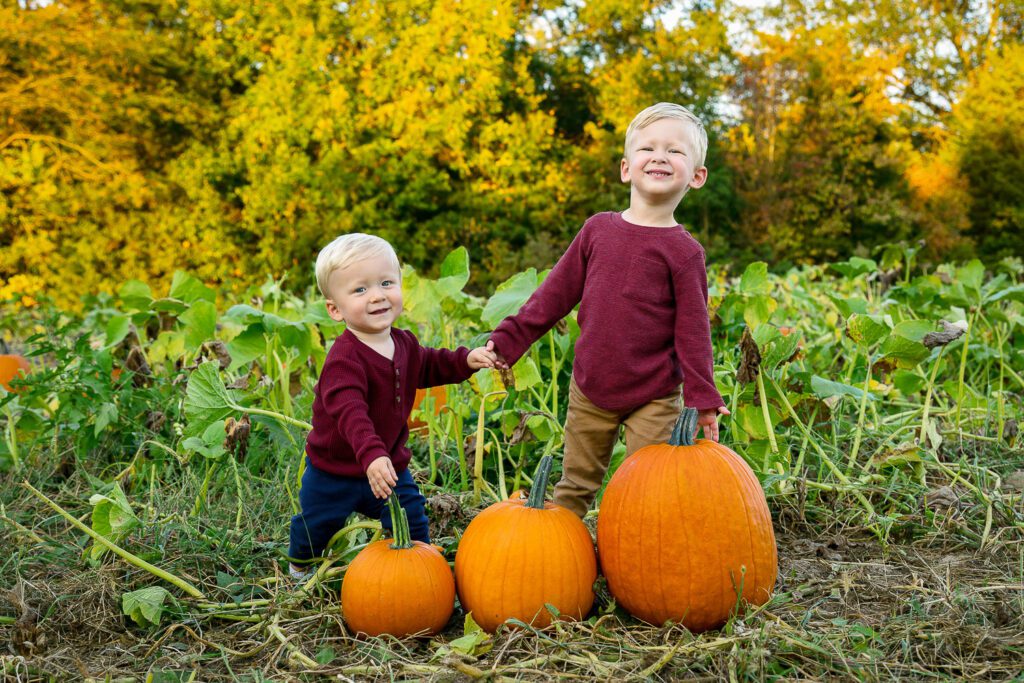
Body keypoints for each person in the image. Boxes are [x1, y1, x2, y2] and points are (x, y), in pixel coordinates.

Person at [487, 102, 730, 519]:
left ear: (697, 176)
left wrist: (703, 397)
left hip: (654, 395)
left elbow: (693, 332)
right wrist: (510, 340)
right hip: (590, 389)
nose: (659, 156)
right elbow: (553, 296)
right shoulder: (597, 230)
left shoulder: (685, 253)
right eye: (647, 148)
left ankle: (639, 559)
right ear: (625, 168)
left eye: (675, 151)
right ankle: (563, 560)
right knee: (574, 485)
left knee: (651, 487)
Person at [289, 233, 496, 577]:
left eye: (386, 282)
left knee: (410, 512)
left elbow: (429, 364)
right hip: (335, 469)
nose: (377, 296)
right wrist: (371, 454)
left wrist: (465, 360)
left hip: (387, 466)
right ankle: (300, 568)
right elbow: (350, 413)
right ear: (335, 309)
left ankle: (421, 569)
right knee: (317, 523)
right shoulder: (344, 359)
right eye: (360, 290)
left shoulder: (404, 343)